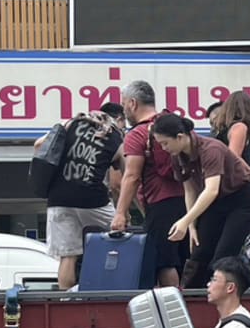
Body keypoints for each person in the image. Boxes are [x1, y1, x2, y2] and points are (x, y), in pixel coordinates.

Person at [152, 115, 250, 289]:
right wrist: (191, 225)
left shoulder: (211, 149)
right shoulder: (177, 155)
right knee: (199, 252)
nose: (164, 148)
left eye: (165, 143)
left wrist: (185, 221)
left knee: (223, 254)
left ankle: (226, 294)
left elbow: (211, 190)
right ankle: (194, 296)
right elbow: (190, 190)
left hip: (240, 200)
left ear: (180, 137)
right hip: (213, 203)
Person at [112, 81, 189, 287]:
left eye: (123, 104)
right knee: (185, 259)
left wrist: (120, 213)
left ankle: (172, 310)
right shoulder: (173, 125)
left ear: (133, 104)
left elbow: (132, 176)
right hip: (190, 201)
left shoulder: (138, 134)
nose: (124, 109)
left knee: (165, 261)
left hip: (161, 203)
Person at [35, 111, 123, 290]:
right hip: (93, 201)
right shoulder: (116, 138)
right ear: (117, 121)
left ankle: (66, 299)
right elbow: (125, 175)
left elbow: (38, 145)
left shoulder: (70, 124)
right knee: (119, 239)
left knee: (68, 256)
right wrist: (124, 212)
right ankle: (114, 288)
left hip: (59, 198)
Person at [211, 92, 250, 284]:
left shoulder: (221, 130)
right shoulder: (240, 127)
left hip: (222, 193)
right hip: (240, 193)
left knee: (225, 245)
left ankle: (224, 282)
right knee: (247, 246)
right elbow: (234, 157)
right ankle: (234, 284)